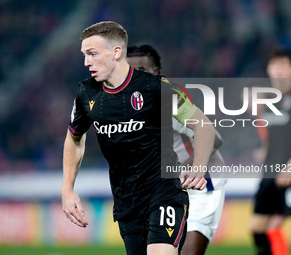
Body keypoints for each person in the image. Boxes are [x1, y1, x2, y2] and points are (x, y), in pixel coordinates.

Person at [61, 21, 215, 255]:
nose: (86, 62)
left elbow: (202, 124)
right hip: (127, 202)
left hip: (164, 191)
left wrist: (199, 166)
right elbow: (74, 138)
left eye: (92, 54)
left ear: (116, 52)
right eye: (84, 55)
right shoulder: (86, 93)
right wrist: (67, 189)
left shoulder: (156, 88)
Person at [127, 44, 227, 255]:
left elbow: (214, 138)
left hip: (202, 181)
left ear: (156, 72)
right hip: (168, 187)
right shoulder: (127, 106)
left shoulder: (168, 100)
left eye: (142, 71)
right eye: (131, 71)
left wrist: (179, 170)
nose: (135, 76)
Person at [249, 49, 291, 255]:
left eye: (284, 65)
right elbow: (272, 137)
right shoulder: (267, 103)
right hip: (270, 172)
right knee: (257, 228)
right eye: (275, 65)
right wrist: (264, 151)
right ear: (269, 69)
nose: (279, 70)